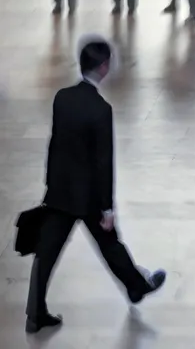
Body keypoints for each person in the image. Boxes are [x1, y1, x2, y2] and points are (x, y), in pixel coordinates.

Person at [25, 34, 166, 334]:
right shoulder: (101, 110)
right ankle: (136, 286)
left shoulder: (62, 97)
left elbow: (56, 144)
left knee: (46, 255)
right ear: (103, 67)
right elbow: (103, 163)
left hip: (60, 193)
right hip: (89, 198)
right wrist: (107, 207)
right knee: (110, 245)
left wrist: (50, 185)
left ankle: (35, 313)